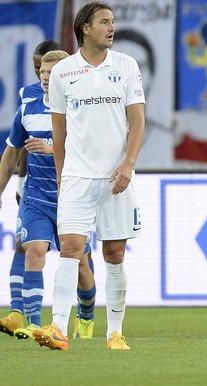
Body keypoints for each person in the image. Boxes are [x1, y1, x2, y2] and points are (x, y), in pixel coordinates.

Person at [31, 1, 145, 351]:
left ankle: (115, 332)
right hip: (78, 178)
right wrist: (62, 177)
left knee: (113, 253)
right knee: (71, 248)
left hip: (116, 178)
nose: (112, 27)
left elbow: (137, 121)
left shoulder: (126, 66)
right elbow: (59, 133)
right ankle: (58, 329)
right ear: (86, 28)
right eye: (105, 22)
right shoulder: (64, 71)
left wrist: (128, 164)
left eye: (113, 22)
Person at [0, 50, 97, 340]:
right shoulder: (27, 109)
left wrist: (51, 146)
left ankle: (87, 317)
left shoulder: (81, 110)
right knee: (34, 251)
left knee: (81, 265)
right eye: (42, 72)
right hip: (37, 197)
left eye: (52, 73)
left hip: (73, 197)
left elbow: (91, 152)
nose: (45, 78)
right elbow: (11, 155)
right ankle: (33, 324)